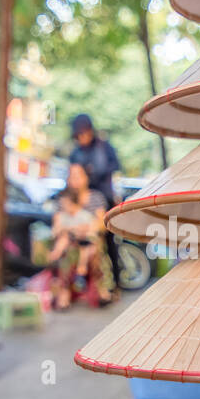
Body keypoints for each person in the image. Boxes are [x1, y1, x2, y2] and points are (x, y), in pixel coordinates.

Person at [68, 114, 122, 288]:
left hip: (103, 199)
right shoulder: (76, 152)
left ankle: (115, 280)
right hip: (83, 201)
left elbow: (115, 166)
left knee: (109, 242)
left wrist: (96, 173)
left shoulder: (104, 147)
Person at [49, 163, 113, 308]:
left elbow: (101, 223)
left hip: (90, 239)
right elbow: (57, 225)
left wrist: (87, 229)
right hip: (69, 240)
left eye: (79, 175)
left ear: (86, 178)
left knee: (94, 249)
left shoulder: (96, 197)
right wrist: (71, 230)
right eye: (72, 176)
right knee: (64, 246)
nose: (76, 179)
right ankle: (64, 291)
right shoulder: (63, 199)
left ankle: (100, 289)